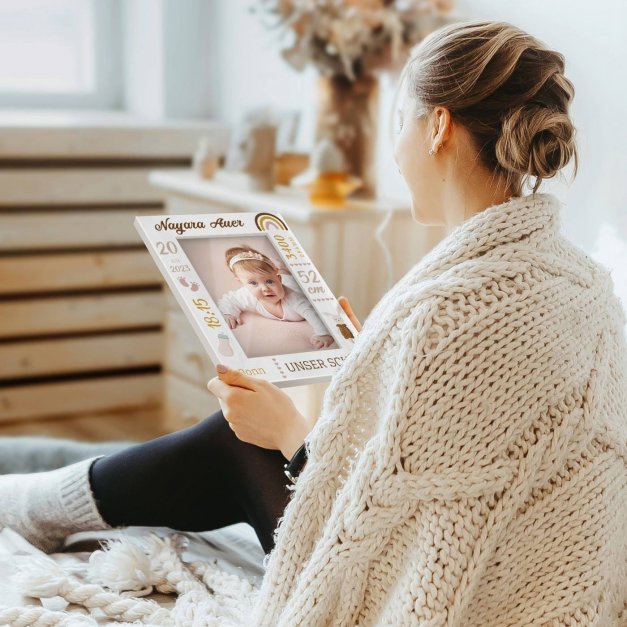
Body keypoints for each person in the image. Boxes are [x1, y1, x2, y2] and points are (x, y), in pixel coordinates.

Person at [1, 19, 626, 626]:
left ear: (437, 126)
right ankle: (38, 501)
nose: (397, 153)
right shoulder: (588, 286)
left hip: (458, 599)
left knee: (236, 440)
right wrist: (366, 367)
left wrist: (290, 434)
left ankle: (29, 505)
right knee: (239, 437)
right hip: (553, 583)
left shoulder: (444, 311)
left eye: (400, 124)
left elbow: (391, 535)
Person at [217, 245, 335, 350]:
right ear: (242, 283)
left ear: (278, 279)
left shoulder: (294, 298)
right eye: (253, 283)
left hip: (290, 280)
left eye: (269, 281)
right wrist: (229, 313)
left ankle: (282, 268)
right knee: (274, 270)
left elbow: (313, 313)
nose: (265, 288)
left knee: (291, 273)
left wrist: (323, 334)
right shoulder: (247, 295)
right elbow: (228, 300)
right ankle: (277, 268)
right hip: (277, 273)